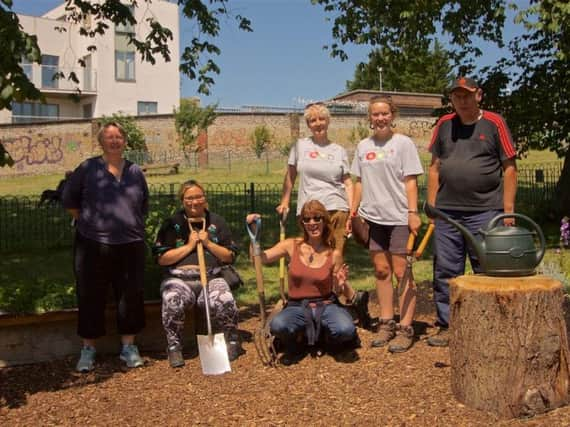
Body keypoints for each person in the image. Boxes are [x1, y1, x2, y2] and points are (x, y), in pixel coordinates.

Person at [426, 77, 517, 347]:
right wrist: (432, 205)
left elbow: (509, 168)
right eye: (457, 96)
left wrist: (508, 211)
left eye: (467, 95)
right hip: (447, 212)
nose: (462, 100)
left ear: (478, 95)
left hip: (486, 210)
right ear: (452, 99)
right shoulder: (444, 125)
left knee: (486, 268)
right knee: (445, 270)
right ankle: (447, 325)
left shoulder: (494, 123)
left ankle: (490, 326)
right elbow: (434, 167)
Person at [62, 122, 149, 372]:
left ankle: (128, 347)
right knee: (90, 295)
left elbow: (142, 205)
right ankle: (88, 349)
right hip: (92, 244)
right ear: (101, 142)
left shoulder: (135, 171)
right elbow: (70, 200)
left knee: (130, 295)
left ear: (124, 141)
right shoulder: (88, 169)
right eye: (109, 137)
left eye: (119, 136)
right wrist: (88, 223)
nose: (114, 140)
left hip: (130, 243)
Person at [276, 102, 371, 328]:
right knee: (310, 255)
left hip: (336, 208)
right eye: (312, 120)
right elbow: (290, 176)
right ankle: (315, 299)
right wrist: (285, 201)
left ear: (328, 121)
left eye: (321, 119)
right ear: (308, 124)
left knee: (334, 257)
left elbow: (347, 182)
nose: (317, 123)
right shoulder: (299, 146)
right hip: (310, 211)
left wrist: (352, 211)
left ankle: (337, 301)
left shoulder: (337, 150)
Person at [350, 95, 424, 353]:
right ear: (369, 118)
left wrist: (413, 212)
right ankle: (386, 321)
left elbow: (411, 181)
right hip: (373, 217)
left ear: (392, 115)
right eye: (375, 114)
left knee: (402, 272)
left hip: (399, 217)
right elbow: (358, 181)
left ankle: (405, 327)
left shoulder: (403, 144)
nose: (380, 118)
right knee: (381, 271)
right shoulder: (362, 146)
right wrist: (353, 211)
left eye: (384, 113)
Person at [247, 200, 359, 364]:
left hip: (326, 305)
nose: (312, 223)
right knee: (278, 326)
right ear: (303, 223)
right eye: (307, 219)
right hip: (298, 306)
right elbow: (259, 259)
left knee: (346, 330)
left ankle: (324, 338)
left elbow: (339, 291)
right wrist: (253, 235)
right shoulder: (291, 245)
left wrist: (342, 284)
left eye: (317, 218)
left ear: (325, 222)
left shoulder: (333, 254)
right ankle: (300, 339)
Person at [153, 180, 244, 368]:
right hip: (179, 279)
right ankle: (174, 347)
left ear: (205, 199)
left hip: (211, 277)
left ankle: (232, 340)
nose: (194, 202)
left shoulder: (217, 222)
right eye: (189, 198)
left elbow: (229, 256)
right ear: (182, 200)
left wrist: (209, 243)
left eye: (198, 197)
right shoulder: (172, 224)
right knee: (172, 299)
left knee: (224, 298)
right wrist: (189, 246)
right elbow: (162, 258)